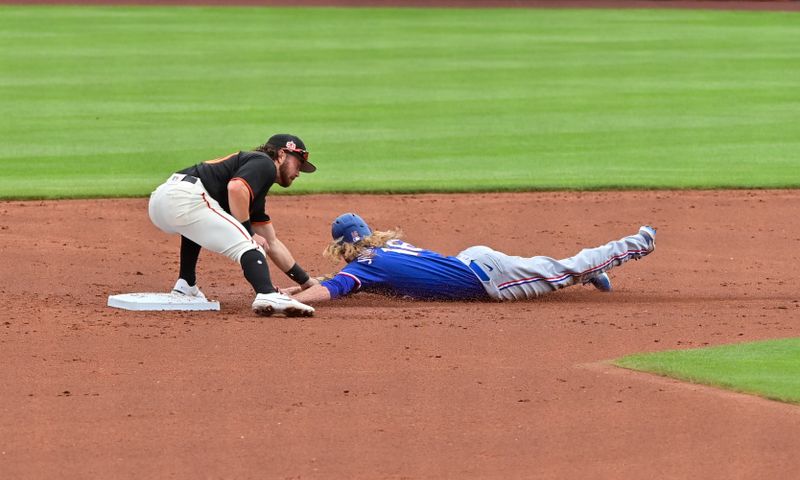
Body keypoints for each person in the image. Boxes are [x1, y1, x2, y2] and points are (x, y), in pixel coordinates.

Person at [282, 213, 656, 304]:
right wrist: (292, 290)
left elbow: (332, 290)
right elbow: (330, 283)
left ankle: (635, 245)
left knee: (562, 271)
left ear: (341, 247)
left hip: (486, 279)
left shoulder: (363, 268)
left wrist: (293, 302)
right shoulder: (383, 253)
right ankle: (589, 273)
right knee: (544, 268)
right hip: (474, 258)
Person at [148, 134, 319, 317]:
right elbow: (236, 188)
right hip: (184, 198)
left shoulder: (255, 187)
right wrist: (249, 233)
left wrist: (306, 281)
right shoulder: (265, 163)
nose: (299, 172)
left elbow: (272, 242)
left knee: (198, 225)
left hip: (162, 202)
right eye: (298, 164)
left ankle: (186, 284)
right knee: (250, 243)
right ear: (282, 154)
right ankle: (267, 294)